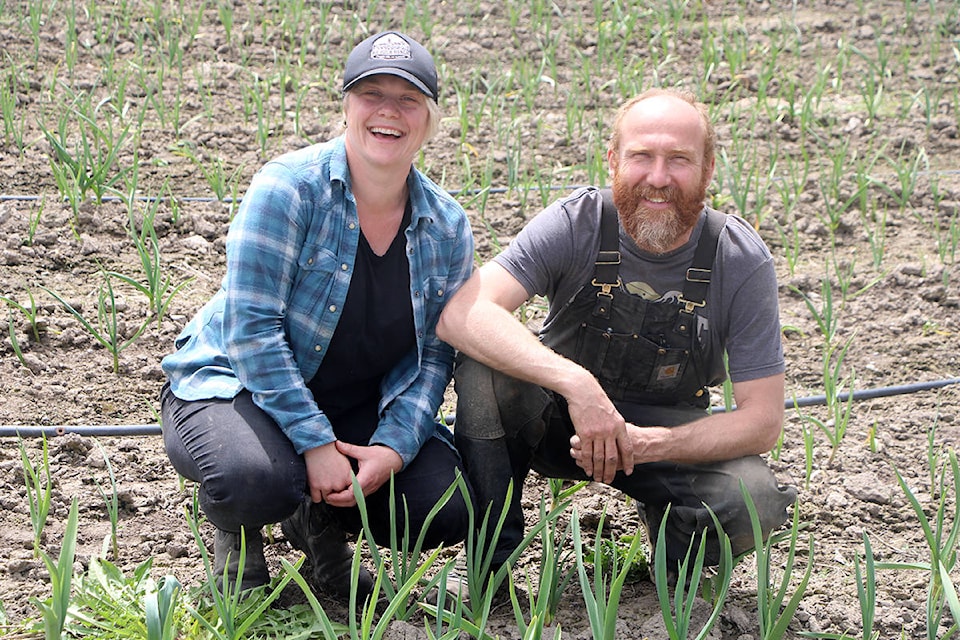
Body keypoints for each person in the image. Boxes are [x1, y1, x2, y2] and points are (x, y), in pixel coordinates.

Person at [436, 87, 797, 588]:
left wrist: (650, 444)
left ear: (708, 170)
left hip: (661, 437)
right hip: (558, 422)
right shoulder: (578, 222)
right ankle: (489, 564)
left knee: (752, 497)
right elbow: (464, 313)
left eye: (679, 160)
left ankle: (674, 552)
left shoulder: (738, 259)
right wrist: (578, 386)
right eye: (641, 157)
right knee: (485, 369)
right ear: (613, 161)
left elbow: (763, 421)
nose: (658, 177)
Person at [159, 31, 475, 603]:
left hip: (351, 403)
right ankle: (241, 544)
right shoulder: (290, 188)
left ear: (429, 120)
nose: (388, 112)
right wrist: (315, 444)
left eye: (408, 100)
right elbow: (251, 331)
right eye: (371, 94)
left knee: (444, 505)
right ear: (346, 106)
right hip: (235, 389)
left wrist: (395, 446)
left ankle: (318, 526)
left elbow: (435, 353)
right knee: (254, 478)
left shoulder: (446, 225)